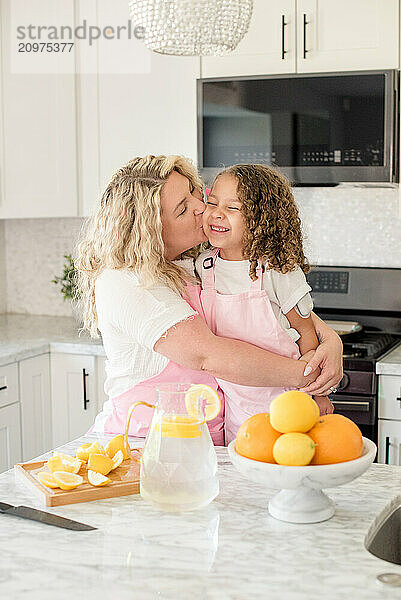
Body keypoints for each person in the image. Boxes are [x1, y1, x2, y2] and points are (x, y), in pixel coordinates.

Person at [73, 155, 343, 446]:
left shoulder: (192, 263)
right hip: (145, 444)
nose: (202, 207)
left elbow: (284, 308)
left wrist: (330, 341)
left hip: (205, 443)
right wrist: (312, 378)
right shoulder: (127, 281)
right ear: (150, 230)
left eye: (192, 191)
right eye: (183, 209)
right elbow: (208, 356)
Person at [195, 164, 334, 444]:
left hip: (289, 404)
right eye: (212, 202)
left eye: (233, 208)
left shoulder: (278, 271)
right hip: (235, 410)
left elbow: (307, 334)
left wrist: (318, 394)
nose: (217, 213)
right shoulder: (203, 266)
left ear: (262, 219)